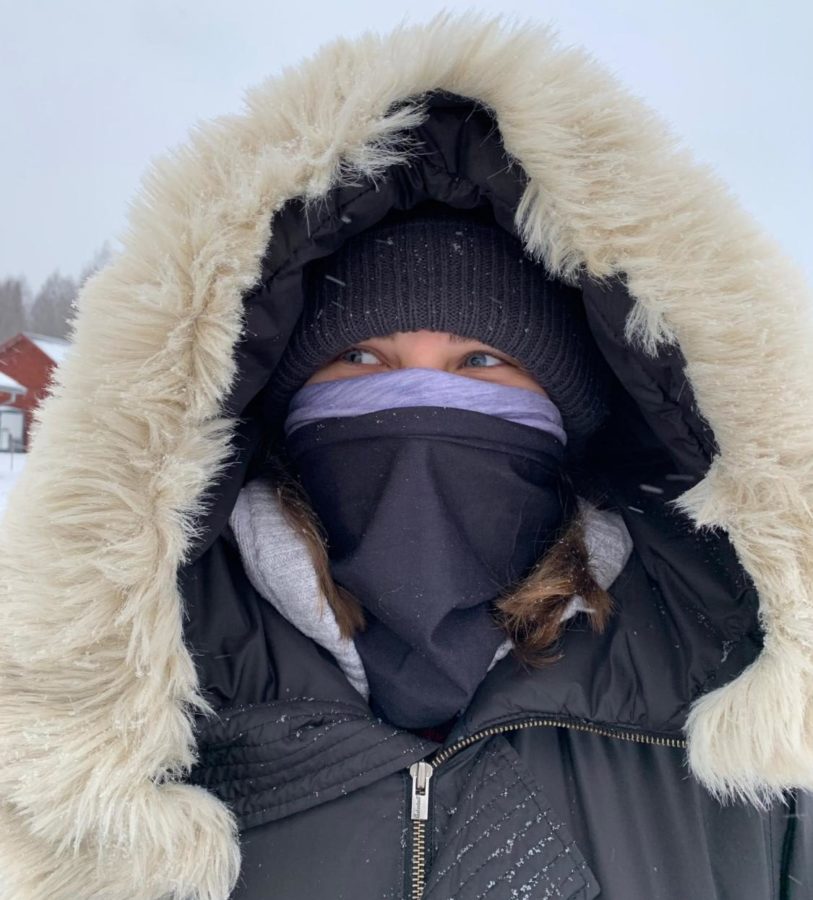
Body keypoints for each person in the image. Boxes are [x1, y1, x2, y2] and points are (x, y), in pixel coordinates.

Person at [1, 12, 811, 900]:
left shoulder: (733, 671)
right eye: (361, 360)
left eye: (480, 363)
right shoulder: (134, 690)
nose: (418, 399)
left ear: (570, 414)